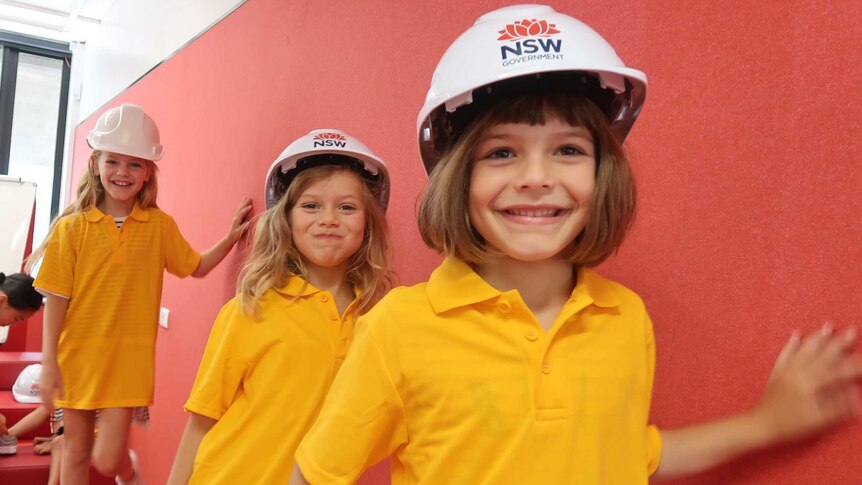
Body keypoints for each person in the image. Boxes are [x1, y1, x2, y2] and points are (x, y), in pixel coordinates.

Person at [290, 6, 862, 484]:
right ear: (455, 178)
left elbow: (623, 455)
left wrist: (769, 425)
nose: (536, 176)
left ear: (602, 175)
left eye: (568, 150)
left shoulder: (625, 317)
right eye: (501, 153)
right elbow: (315, 474)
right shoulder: (398, 329)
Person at [28, 103, 253, 485]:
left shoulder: (159, 226)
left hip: (128, 365)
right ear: (96, 164)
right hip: (76, 360)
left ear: (148, 171)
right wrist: (50, 363)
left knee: (107, 454)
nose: (123, 173)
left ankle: (128, 470)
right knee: (77, 453)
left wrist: (232, 238)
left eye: (135, 164)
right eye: (113, 161)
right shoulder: (72, 229)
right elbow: (58, 300)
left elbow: (195, 266)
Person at [166, 129, 395, 484]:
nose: (329, 218)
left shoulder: (377, 319)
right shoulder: (250, 309)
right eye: (311, 205)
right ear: (285, 220)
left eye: (347, 207)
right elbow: (201, 422)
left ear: (368, 223)